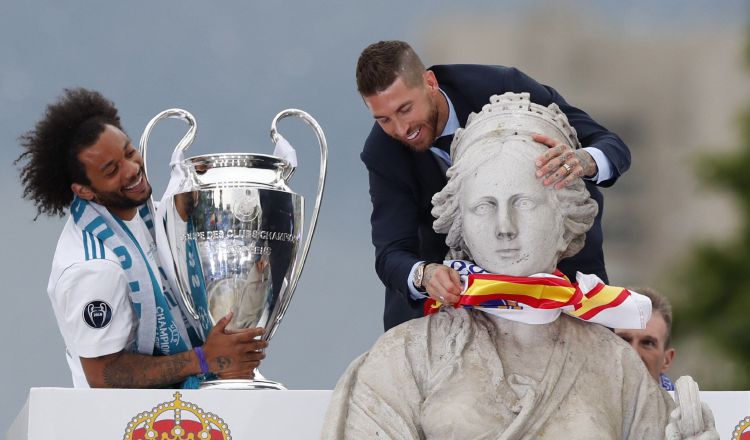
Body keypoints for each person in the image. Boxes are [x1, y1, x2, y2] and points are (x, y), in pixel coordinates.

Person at [322, 94, 685, 439]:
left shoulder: (618, 366)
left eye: (524, 202)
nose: (505, 228)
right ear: (459, 220)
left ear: (565, 217)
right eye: (484, 206)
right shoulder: (403, 359)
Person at [356, 40, 631, 330]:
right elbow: (390, 253)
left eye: (405, 109)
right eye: (383, 119)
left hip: (558, 275)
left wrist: (584, 161)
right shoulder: (381, 152)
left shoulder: (503, 86)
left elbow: (612, 146)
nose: (400, 130)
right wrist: (424, 275)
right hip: (452, 297)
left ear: (430, 82)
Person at [16, 88, 267, 388]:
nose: (132, 169)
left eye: (128, 152)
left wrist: (186, 214)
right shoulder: (93, 268)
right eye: (112, 170)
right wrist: (203, 360)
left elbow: (164, 239)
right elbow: (103, 375)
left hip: (185, 407)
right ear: (84, 191)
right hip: (126, 427)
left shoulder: (140, 214)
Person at [615, 287, 677, 391]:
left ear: (666, 360)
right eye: (623, 340)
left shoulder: (688, 407)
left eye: (648, 343)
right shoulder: (580, 401)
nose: (633, 352)